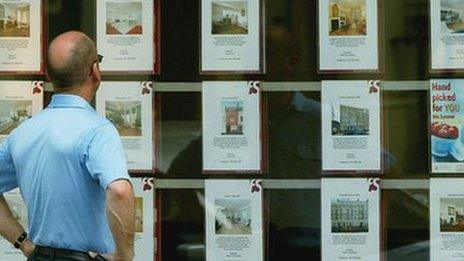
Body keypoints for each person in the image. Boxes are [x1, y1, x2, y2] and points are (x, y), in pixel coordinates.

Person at [0, 31, 135, 260]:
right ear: (94, 71)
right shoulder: (98, 131)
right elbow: (120, 191)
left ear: (50, 77)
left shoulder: (22, 133)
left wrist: (23, 242)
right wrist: (124, 256)